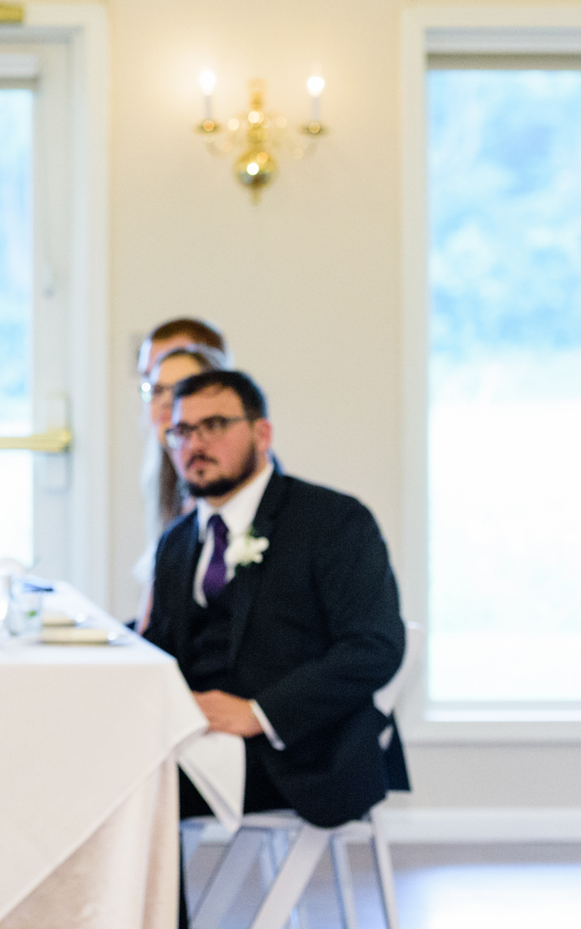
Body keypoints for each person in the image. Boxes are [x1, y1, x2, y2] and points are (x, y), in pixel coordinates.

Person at [143, 369, 408, 831]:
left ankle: (147, 909)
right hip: (197, 738)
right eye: (181, 431)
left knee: (136, 787)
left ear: (262, 433)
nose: (195, 444)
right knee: (99, 766)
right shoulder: (177, 542)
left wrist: (257, 714)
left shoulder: (333, 522)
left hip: (302, 753)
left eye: (215, 426)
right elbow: (162, 650)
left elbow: (374, 647)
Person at [130, 338, 226, 629]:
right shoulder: (162, 469)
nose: (166, 401)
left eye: (183, 386)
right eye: (157, 390)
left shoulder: (219, 476)